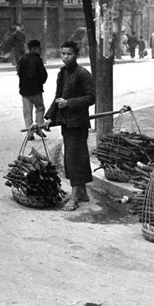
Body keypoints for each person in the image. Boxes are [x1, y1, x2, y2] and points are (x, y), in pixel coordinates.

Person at [44, 41, 96, 211]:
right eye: (63, 54)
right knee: (76, 156)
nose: (65, 57)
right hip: (66, 122)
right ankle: (82, 192)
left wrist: (69, 103)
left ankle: (74, 197)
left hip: (78, 123)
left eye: (69, 54)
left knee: (74, 158)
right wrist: (50, 117)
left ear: (76, 55)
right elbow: (57, 97)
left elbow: (91, 98)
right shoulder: (62, 73)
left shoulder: (83, 74)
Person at [18, 40, 47, 140]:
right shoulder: (37, 59)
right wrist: (40, 83)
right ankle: (39, 127)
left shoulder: (22, 59)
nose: (41, 50)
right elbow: (43, 75)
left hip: (24, 90)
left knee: (27, 111)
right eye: (39, 48)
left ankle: (29, 133)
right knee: (39, 108)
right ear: (35, 49)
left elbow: (19, 73)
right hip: (36, 90)